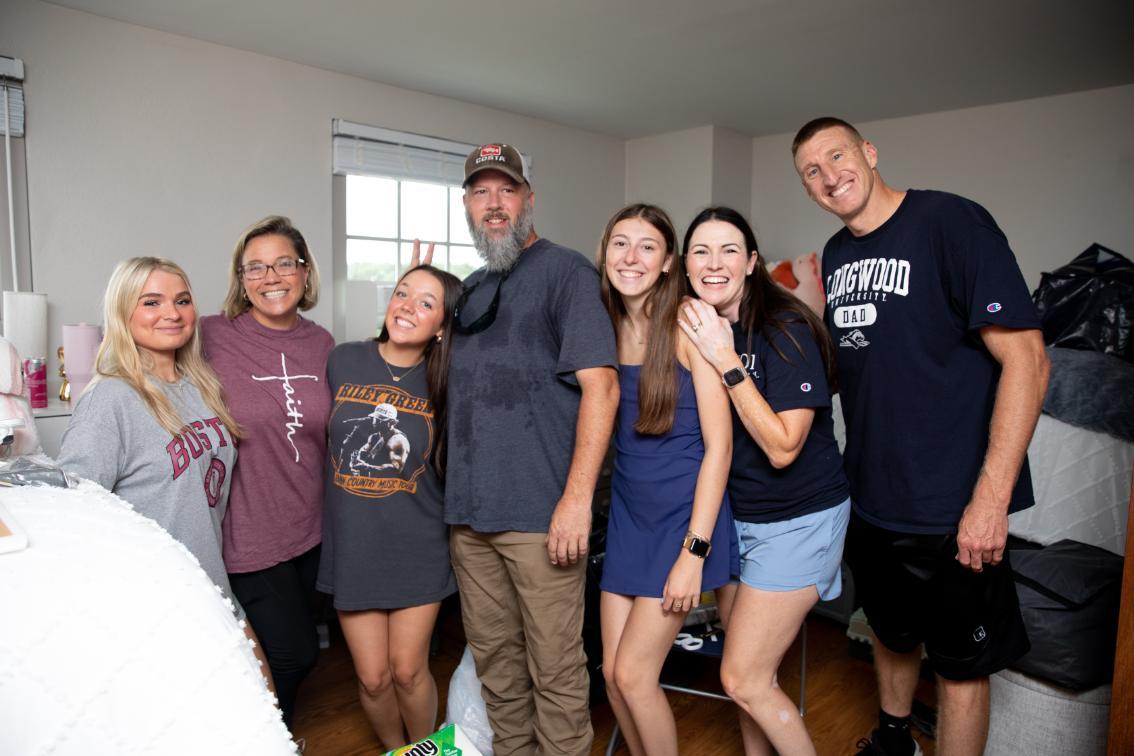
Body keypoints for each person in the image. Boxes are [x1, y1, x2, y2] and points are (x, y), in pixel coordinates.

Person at [790, 117, 1050, 756]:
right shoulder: (838, 254)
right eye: (811, 172)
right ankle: (895, 738)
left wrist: (990, 500)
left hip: (954, 502)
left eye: (838, 156)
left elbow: (1029, 361)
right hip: (873, 494)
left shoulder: (951, 223)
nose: (829, 176)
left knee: (960, 664)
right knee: (891, 632)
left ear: (870, 153)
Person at [445, 142, 619, 756]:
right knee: (498, 672)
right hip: (469, 516)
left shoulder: (566, 272)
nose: (494, 204)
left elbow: (603, 386)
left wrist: (576, 501)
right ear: (466, 204)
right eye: (480, 192)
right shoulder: (469, 288)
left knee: (556, 672)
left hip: (542, 519)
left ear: (528, 199)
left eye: (506, 190)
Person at [679, 206, 851, 756]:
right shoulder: (698, 326)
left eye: (729, 250)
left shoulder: (786, 328)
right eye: (701, 251)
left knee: (743, 678)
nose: (714, 263)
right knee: (753, 677)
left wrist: (725, 359)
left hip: (799, 519)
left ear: (752, 263)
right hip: (739, 519)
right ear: (684, 266)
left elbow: (782, 447)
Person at [57, 257, 274, 689]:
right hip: (155, 600)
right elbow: (73, 518)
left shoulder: (201, 386)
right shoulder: (111, 399)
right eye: (151, 302)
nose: (172, 313)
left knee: (260, 704)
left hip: (212, 584)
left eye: (182, 300)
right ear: (123, 313)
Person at [596, 204, 736, 756]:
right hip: (631, 518)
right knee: (612, 676)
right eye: (619, 243)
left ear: (667, 261)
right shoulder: (603, 325)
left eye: (647, 246)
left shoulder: (689, 325)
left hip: (683, 521)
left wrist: (693, 554)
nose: (631, 258)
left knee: (635, 677)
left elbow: (720, 447)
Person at [317, 264, 462, 750]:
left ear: (442, 325)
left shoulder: (449, 380)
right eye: (403, 293)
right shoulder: (343, 360)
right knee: (375, 677)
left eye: (426, 302)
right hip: (354, 545)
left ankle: (426, 750)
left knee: (407, 670)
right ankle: (394, 750)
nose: (408, 306)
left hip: (417, 546)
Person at [201, 215, 335, 729]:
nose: (270, 276)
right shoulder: (211, 335)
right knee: (292, 653)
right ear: (241, 279)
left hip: (310, 527)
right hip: (248, 532)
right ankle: (261, 738)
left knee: (291, 649)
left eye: (283, 263)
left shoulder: (322, 343)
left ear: (304, 272)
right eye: (254, 267)